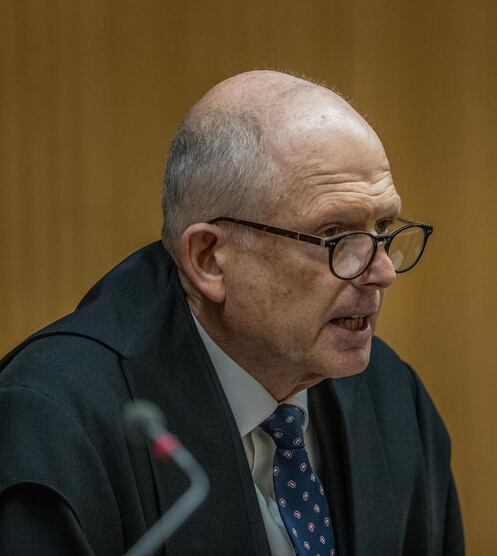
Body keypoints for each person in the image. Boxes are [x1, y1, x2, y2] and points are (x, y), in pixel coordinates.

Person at [0, 71, 464, 555]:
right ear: (209, 259)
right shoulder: (53, 423)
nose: (382, 270)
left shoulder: (392, 398)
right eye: (335, 236)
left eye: (384, 226)